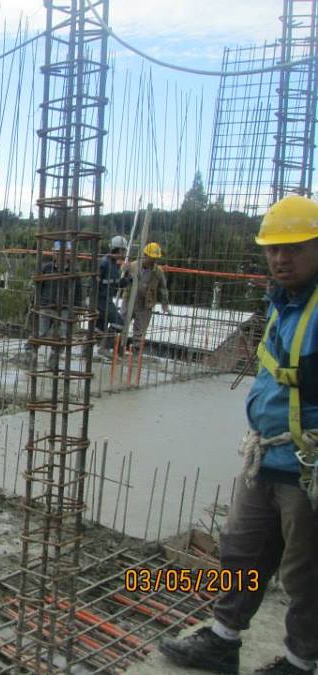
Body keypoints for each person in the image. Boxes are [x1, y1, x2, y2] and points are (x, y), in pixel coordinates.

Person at [159, 194, 318, 675]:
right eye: (273, 249)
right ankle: (223, 640)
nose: (280, 258)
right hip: (265, 458)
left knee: (306, 574)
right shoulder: (282, 305)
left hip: (308, 469)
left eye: (294, 248)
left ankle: (300, 661)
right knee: (241, 552)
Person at [21, 240, 84, 370]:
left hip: (65, 307)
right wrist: (34, 303)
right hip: (46, 305)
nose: (62, 256)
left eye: (66, 253)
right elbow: (38, 288)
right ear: (54, 254)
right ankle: (29, 354)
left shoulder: (74, 272)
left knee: (62, 336)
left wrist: (77, 308)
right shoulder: (46, 268)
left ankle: (53, 361)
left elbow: (78, 291)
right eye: (58, 253)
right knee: (41, 333)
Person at [122, 242, 170, 347]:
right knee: (121, 325)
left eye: (156, 258)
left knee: (140, 332)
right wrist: (123, 270)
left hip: (145, 304)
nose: (154, 261)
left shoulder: (158, 271)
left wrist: (165, 303)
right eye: (152, 258)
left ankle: (136, 352)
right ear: (145, 255)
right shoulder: (132, 266)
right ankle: (116, 348)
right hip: (129, 300)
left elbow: (163, 288)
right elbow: (121, 281)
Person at [95, 235, 131, 357]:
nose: (125, 253)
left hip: (106, 299)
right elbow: (94, 282)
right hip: (101, 300)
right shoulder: (104, 263)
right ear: (119, 250)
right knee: (119, 323)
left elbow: (116, 284)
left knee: (99, 328)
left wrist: (127, 278)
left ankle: (86, 350)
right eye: (124, 250)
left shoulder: (114, 264)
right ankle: (104, 348)